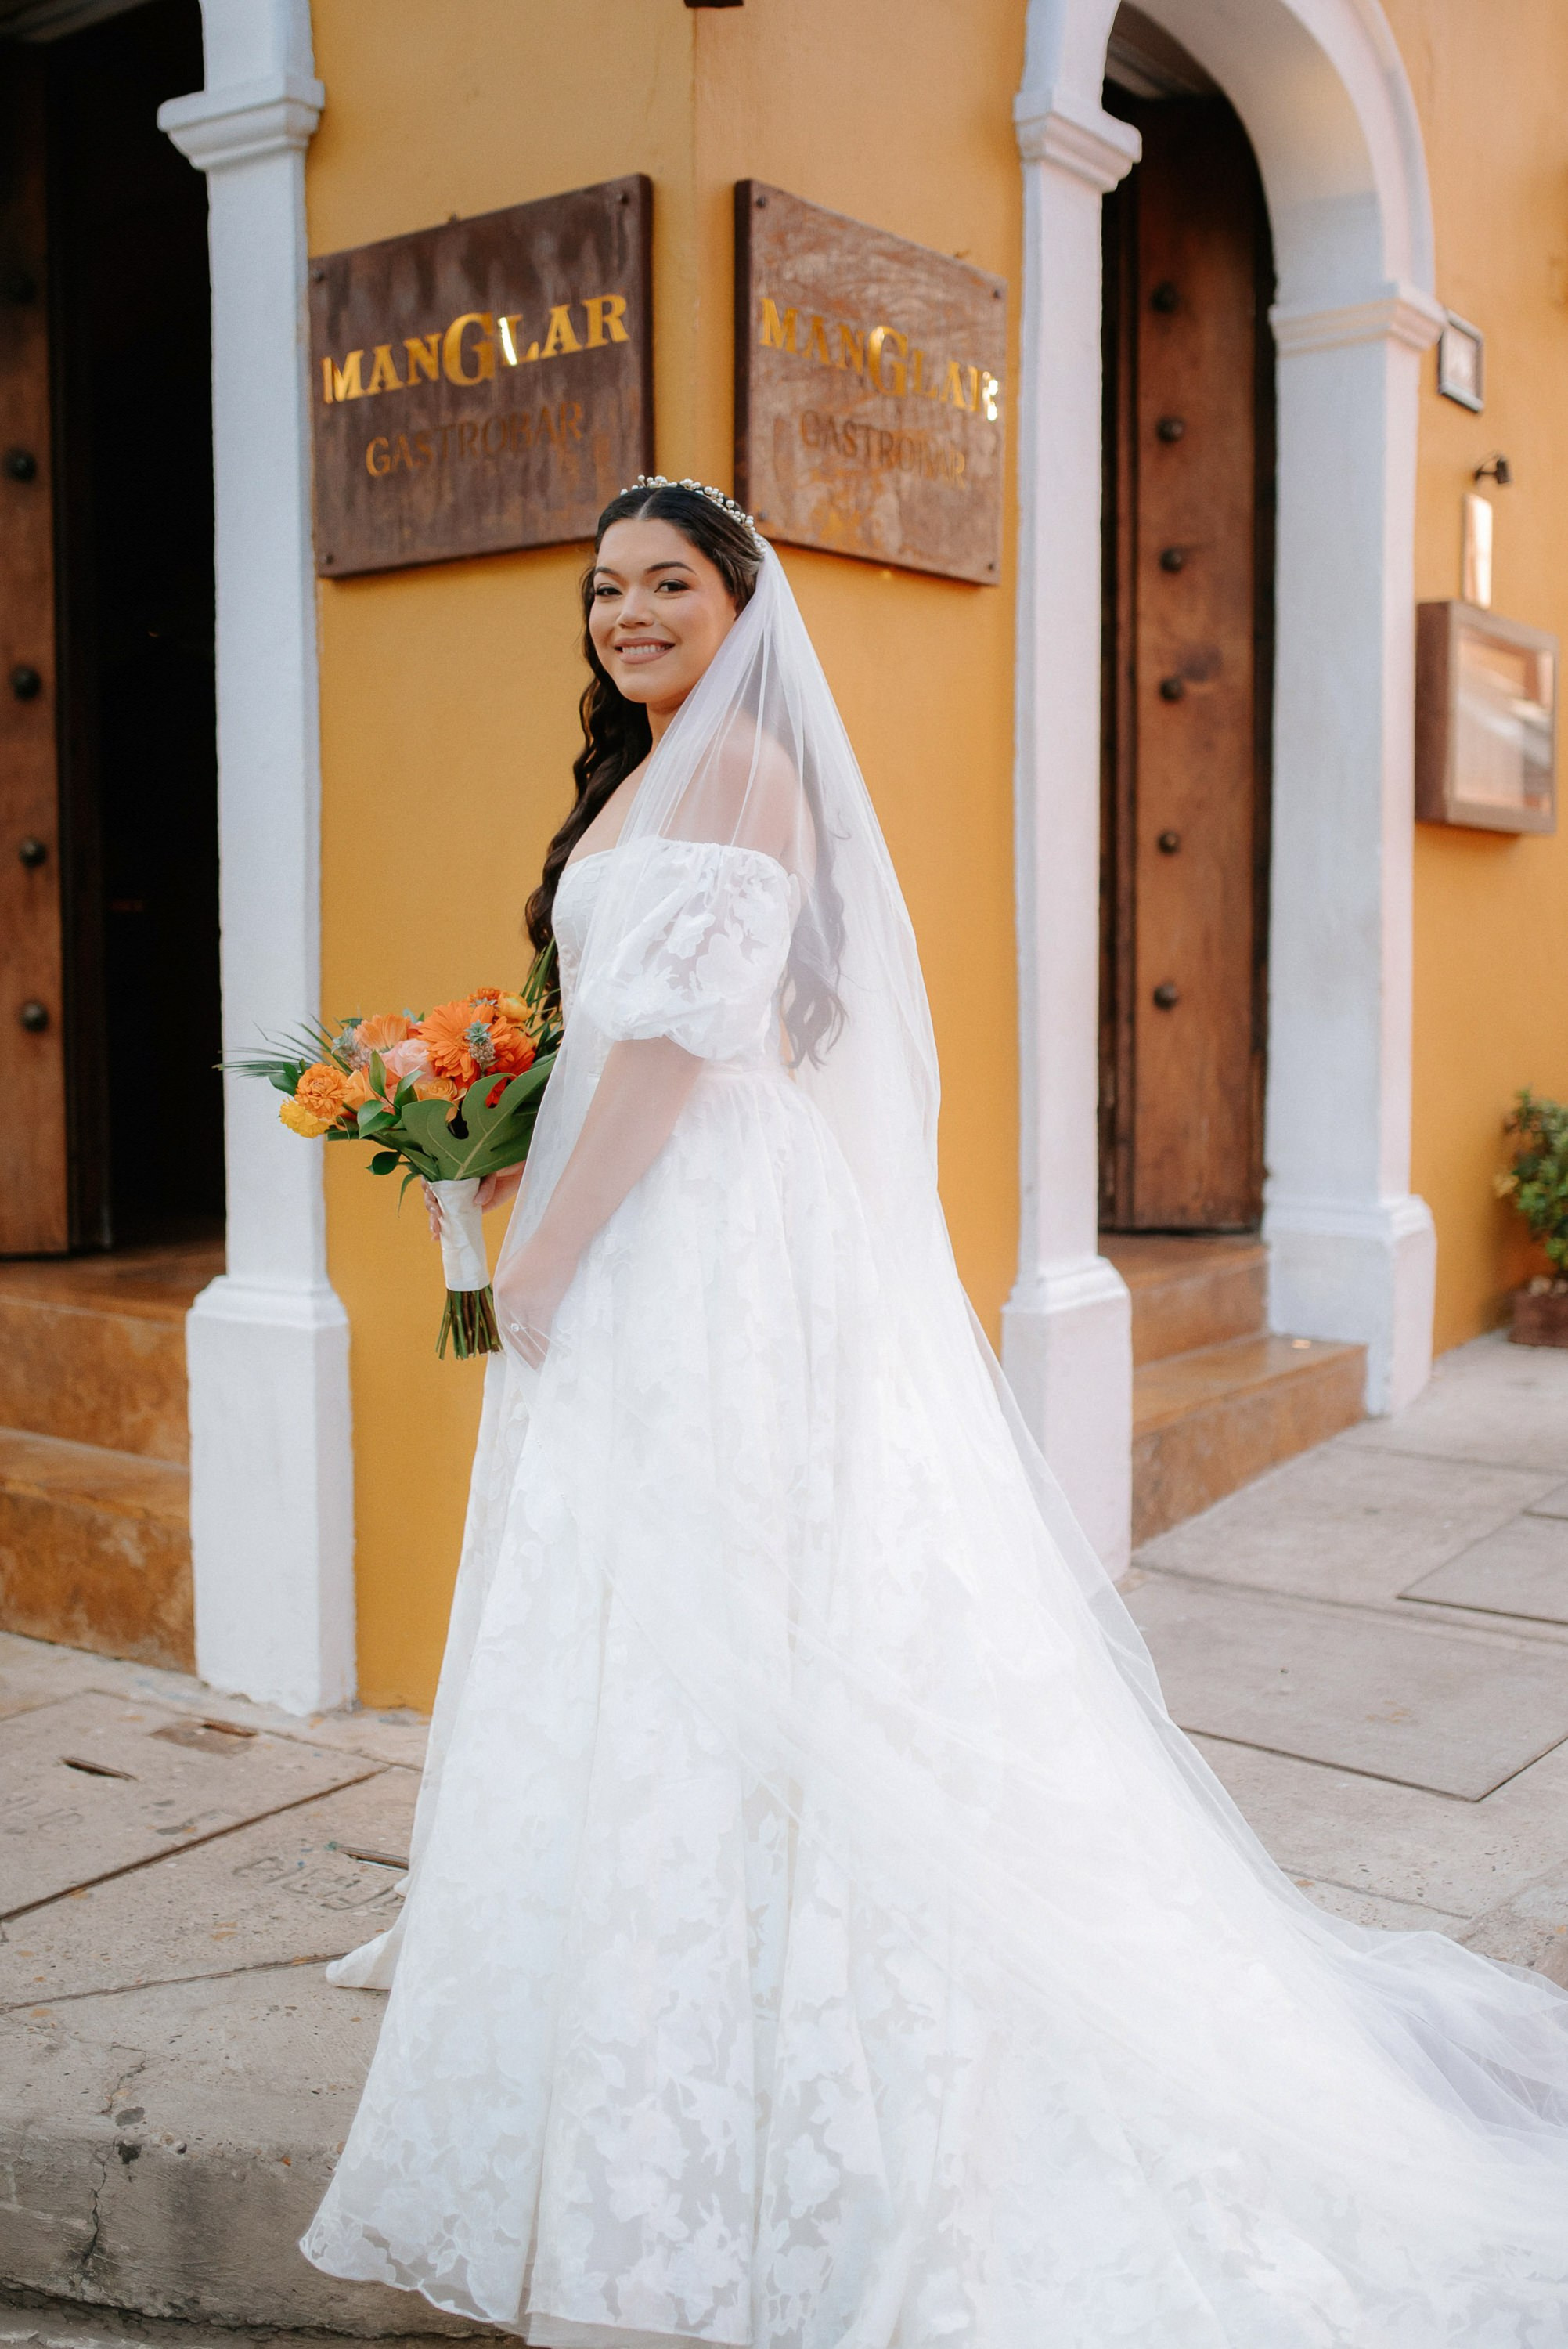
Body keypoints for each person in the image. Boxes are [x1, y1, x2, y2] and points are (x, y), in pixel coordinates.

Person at [302, 478, 1568, 2347]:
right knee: (638, 1594)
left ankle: (761, 1978)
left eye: (667, 584)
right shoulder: (638, 780)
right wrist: (495, 1147)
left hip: (701, 1238)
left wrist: (547, 1248)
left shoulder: (748, 775)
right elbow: (607, 1040)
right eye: (606, 589)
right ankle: (633, 1942)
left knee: (736, 1590)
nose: (628, 614)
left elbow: (674, 1049)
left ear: (742, 603)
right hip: (643, 1208)